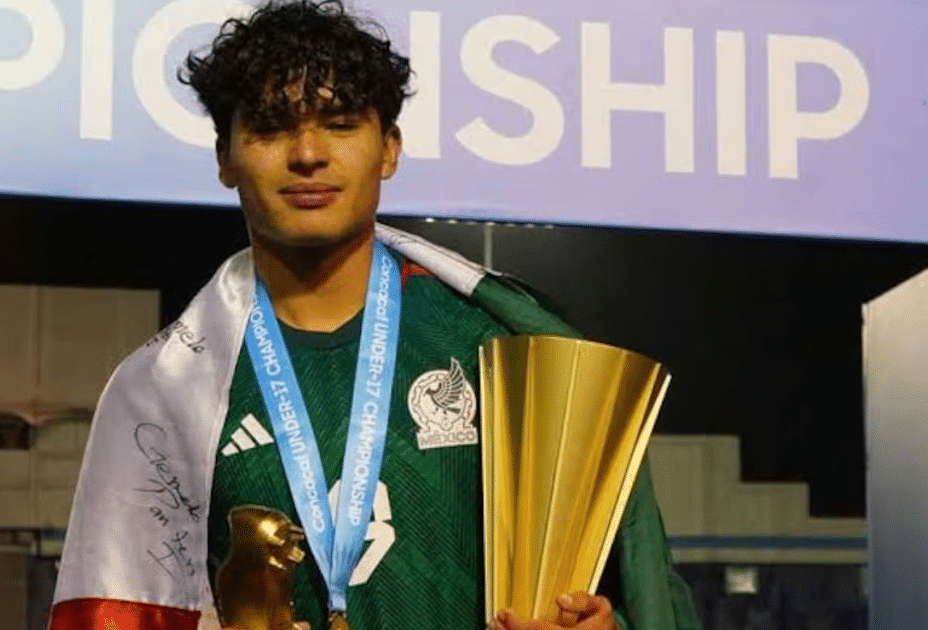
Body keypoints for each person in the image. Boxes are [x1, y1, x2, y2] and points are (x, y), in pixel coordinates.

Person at [48, 2, 701, 630]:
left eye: (339, 124)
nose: (308, 154)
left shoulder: (496, 347)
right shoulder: (167, 391)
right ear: (225, 157)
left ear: (388, 147)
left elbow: (632, 588)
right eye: (271, 128)